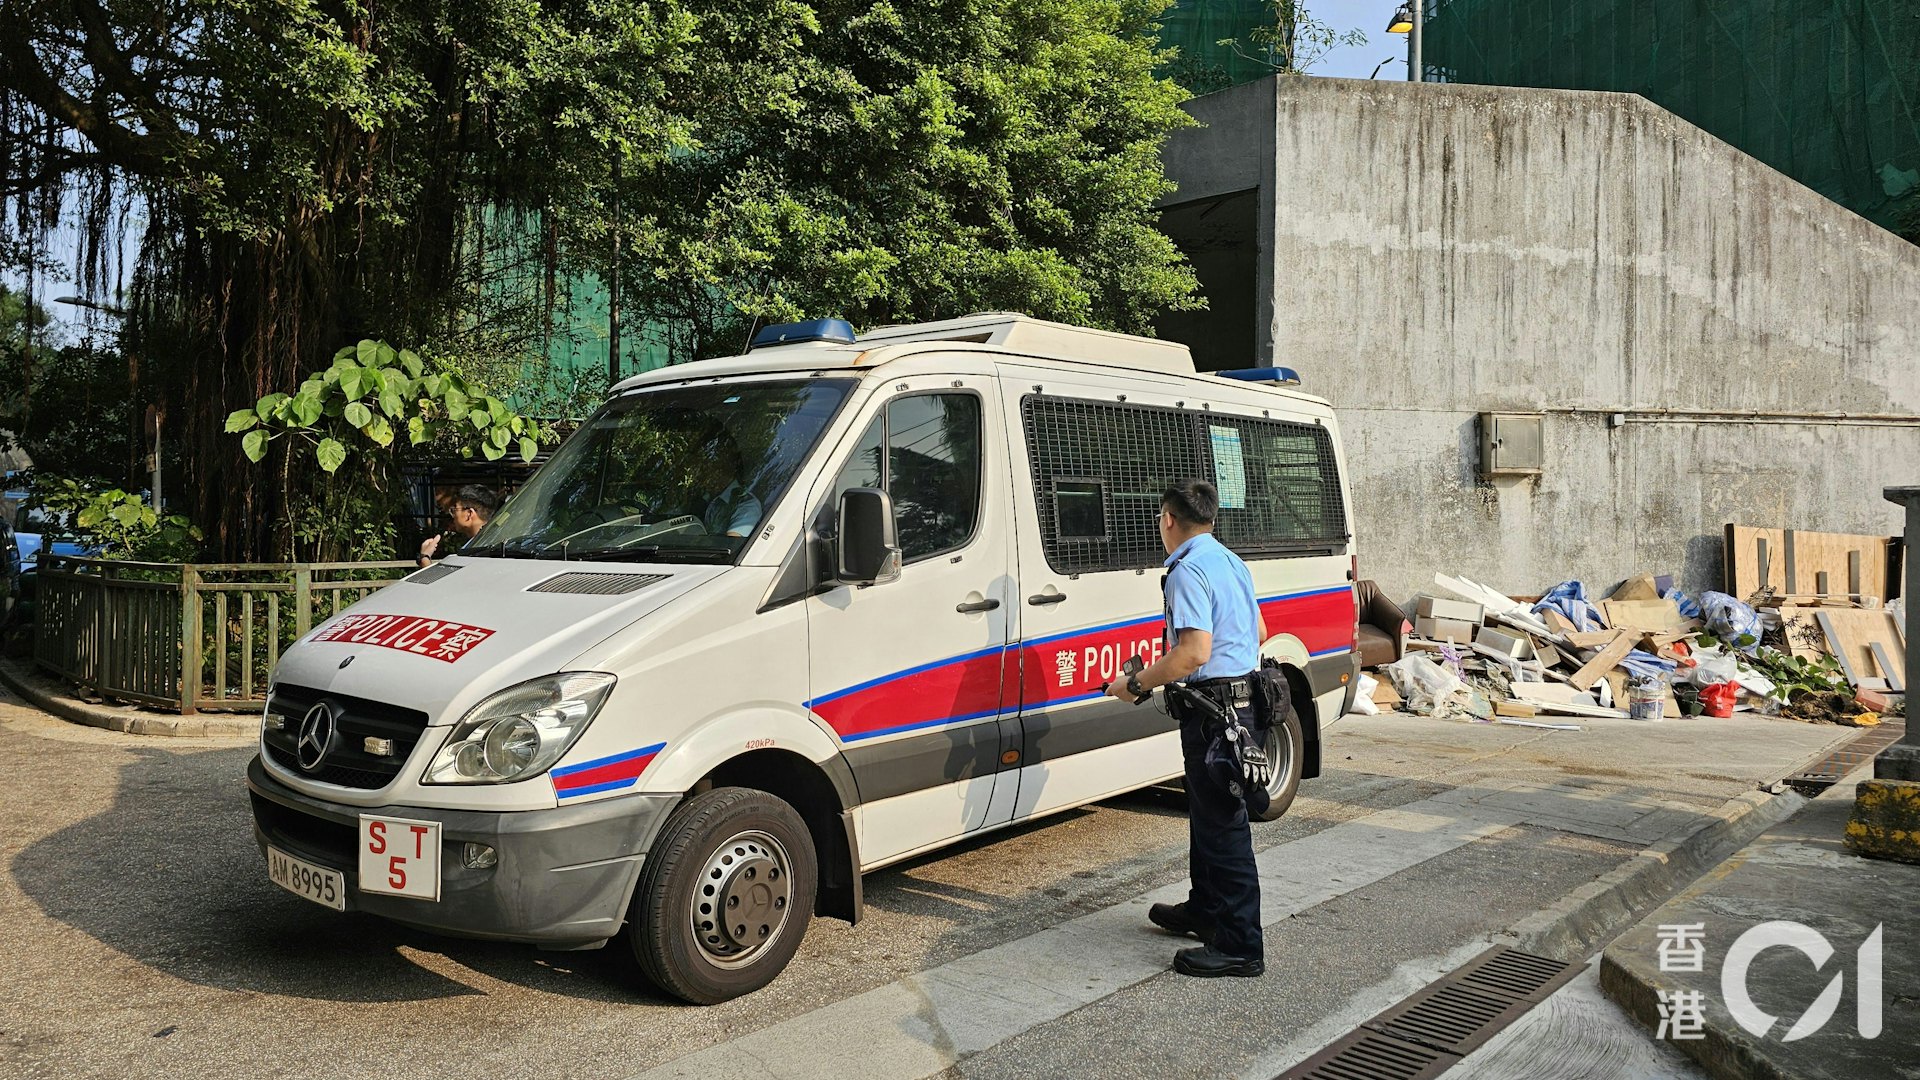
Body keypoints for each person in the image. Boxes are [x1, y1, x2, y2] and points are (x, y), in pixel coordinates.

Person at [1104, 479, 1267, 978]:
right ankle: (1205, 910)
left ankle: (1241, 945)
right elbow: (1258, 632)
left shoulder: (1186, 571)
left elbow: (1194, 652)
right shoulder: (1228, 560)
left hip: (1216, 714)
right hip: (1241, 705)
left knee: (1225, 827)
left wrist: (1135, 682)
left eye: (1160, 519)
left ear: (1168, 520)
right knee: (1208, 818)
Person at [418, 484, 497, 567]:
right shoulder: (495, 544)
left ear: (469, 514)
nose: (453, 515)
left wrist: (424, 558)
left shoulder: (478, 552)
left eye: (455, 509)